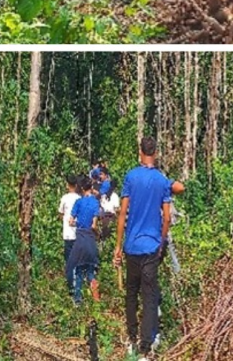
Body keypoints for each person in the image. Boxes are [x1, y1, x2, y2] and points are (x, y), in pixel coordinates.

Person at [113, 137, 174, 360]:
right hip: (151, 247)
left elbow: (122, 214)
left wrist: (118, 246)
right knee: (149, 296)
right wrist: (161, 241)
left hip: (132, 246)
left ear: (140, 152)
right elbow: (166, 217)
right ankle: (146, 347)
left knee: (131, 293)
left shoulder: (131, 177)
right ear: (155, 153)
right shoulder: (162, 180)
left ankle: (131, 337)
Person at [67, 178, 101, 306]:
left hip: (80, 238)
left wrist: (78, 223)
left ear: (81, 189)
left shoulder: (78, 202)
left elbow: (70, 221)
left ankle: (78, 300)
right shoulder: (95, 203)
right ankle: (96, 299)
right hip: (90, 239)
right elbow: (94, 225)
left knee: (79, 270)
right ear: (91, 188)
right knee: (91, 271)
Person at [58, 174, 81, 293]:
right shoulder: (79, 198)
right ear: (76, 185)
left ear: (68, 185)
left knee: (69, 260)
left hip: (67, 234)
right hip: (77, 233)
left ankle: (70, 286)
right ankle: (77, 285)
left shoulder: (64, 198)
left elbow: (60, 213)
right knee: (77, 260)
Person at [99, 176, 120, 242]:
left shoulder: (103, 196)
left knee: (104, 238)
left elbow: (101, 207)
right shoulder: (115, 196)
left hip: (103, 219)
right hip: (111, 219)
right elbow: (116, 209)